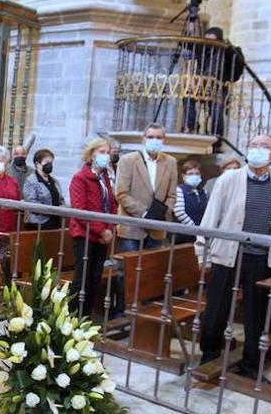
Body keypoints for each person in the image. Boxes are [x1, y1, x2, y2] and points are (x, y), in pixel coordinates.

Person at [197, 133, 271, 377]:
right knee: (216, 311)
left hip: (262, 258)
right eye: (253, 144)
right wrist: (201, 253)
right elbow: (210, 219)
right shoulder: (229, 179)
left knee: (256, 316)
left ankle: (250, 365)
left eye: (264, 146)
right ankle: (209, 357)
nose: (257, 149)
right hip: (227, 255)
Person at [68, 137, 118, 318]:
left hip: (103, 236)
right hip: (84, 235)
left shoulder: (104, 177)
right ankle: (71, 318)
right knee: (82, 280)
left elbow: (111, 205)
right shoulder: (80, 178)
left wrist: (110, 228)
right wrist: (101, 230)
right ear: (91, 155)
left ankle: (85, 318)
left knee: (95, 279)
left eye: (108, 153)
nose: (106, 156)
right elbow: (80, 211)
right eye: (102, 152)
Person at [114, 123, 178, 251]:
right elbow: (121, 193)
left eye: (159, 137)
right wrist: (145, 214)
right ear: (143, 139)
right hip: (132, 227)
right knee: (128, 269)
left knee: (152, 269)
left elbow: (172, 195)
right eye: (151, 137)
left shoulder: (170, 162)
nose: (155, 140)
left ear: (164, 140)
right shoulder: (128, 160)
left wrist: (161, 213)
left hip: (157, 228)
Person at [22, 149, 64, 229]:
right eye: (47, 162)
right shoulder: (31, 181)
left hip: (55, 223)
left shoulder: (54, 181)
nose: (50, 165)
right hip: (38, 224)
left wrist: (62, 209)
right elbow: (31, 203)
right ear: (37, 164)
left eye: (51, 163)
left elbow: (61, 200)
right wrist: (52, 210)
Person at [173, 158, 208, 243]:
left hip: (200, 234)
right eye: (190, 174)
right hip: (184, 235)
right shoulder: (179, 190)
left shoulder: (203, 191)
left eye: (197, 173)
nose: (194, 176)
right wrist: (194, 228)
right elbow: (179, 212)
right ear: (184, 176)